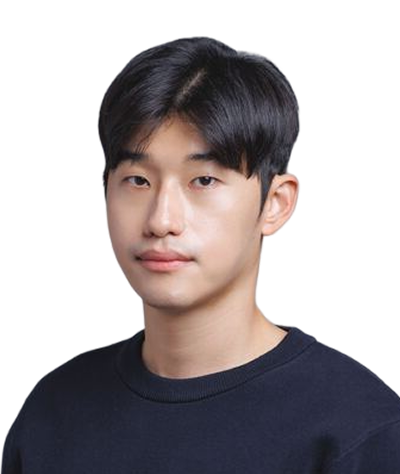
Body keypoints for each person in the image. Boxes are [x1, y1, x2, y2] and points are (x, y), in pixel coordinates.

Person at [2, 36, 399, 473]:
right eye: (137, 180)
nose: (161, 220)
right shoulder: (52, 412)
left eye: (203, 180)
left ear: (276, 203)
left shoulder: (360, 430)